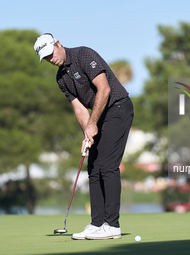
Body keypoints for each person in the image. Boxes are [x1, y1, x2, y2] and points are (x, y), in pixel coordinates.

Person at [34, 33, 134, 240]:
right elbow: (79, 108)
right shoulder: (61, 78)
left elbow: (104, 89)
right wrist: (87, 134)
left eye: (51, 53)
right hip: (99, 117)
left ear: (58, 44)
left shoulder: (83, 54)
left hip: (118, 108)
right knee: (94, 167)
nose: (51, 59)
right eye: (46, 58)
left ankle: (112, 225)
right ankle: (97, 223)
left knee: (107, 166)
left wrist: (92, 124)